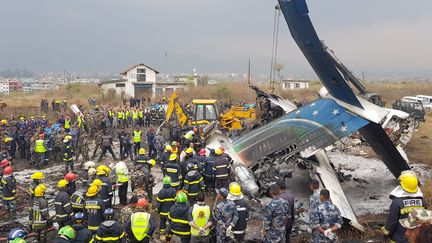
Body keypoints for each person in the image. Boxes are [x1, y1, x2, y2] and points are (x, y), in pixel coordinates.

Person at [381, 170, 427, 243]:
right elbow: (424, 222)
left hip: (398, 239)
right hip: (415, 239)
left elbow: (392, 221)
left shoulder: (397, 202)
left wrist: (386, 235)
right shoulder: (422, 201)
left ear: (402, 185)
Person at [156, 176, 177, 240]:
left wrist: (158, 210)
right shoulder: (174, 191)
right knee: (171, 222)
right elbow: (175, 201)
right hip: (171, 211)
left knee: (162, 222)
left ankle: (162, 234)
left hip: (163, 212)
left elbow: (159, 203)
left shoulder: (161, 191)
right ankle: (171, 233)